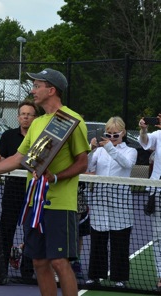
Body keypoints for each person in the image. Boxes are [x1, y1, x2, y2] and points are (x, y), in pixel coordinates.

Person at [0, 68, 90, 296]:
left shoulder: (73, 120)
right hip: (34, 204)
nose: (33, 90)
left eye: (37, 86)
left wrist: (56, 177)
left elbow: (82, 163)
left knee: (59, 262)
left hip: (60, 205)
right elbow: (18, 159)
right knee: (39, 263)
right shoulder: (37, 123)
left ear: (51, 90)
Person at [86, 116, 136, 288]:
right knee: (98, 241)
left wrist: (109, 148)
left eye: (116, 135)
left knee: (120, 243)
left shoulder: (131, 151)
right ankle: (95, 275)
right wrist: (90, 149)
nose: (112, 138)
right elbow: (86, 168)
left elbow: (126, 165)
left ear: (123, 133)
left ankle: (119, 278)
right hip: (100, 202)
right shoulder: (99, 151)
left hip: (121, 204)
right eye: (109, 134)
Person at [0, 100, 39, 285]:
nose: (26, 116)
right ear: (18, 117)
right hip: (12, 191)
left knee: (32, 231)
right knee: (6, 231)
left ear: (35, 118)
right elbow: (2, 159)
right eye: (23, 114)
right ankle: (0, 272)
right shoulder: (8, 136)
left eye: (30, 114)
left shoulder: (40, 138)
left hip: (34, 191)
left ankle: (27, 272)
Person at [138, 114, 161, 291]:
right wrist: (144, 129)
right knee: (158, 237)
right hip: (157, 190)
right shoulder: (158, 136)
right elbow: (145, 141)